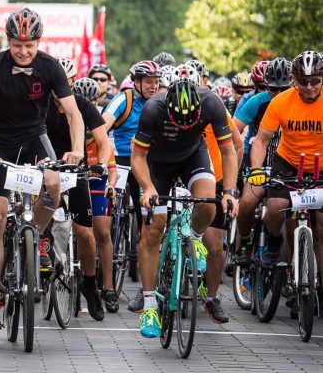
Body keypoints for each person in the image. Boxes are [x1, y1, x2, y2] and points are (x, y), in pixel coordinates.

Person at [0, 7, 85, 333]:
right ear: (8, 40)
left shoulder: (49, 66)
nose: (23, 51)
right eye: (17, 44)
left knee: (54, 184)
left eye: (30, 44)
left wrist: (77, 149)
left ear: (39, 41)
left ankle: (40, 237)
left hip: (34, 139)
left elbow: (73, 114)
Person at [131, 76, 239, 338]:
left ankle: (195, 238)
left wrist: (229, 193)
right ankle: (150, 305)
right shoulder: (153, 109)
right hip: (157, 163)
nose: (185, 125)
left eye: (191, 120)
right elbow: (138, 156)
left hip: (193, 155)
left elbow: (228, 151)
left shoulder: (212, 103)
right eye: (179, 121)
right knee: (153, 230)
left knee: (208, 205)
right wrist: (148, 188)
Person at [247, 51, 323, 290]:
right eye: (303, 81)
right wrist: (257, 170)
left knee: (321, 225)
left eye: (315, 80)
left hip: (321, 166)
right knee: (274, 209)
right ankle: (274, 238)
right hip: (288, 162)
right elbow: (261, 140)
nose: (309, 87)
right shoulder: (281, 102)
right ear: (294, 81)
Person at [45, 63, 112, 321]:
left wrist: (102, 165)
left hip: (77, 172)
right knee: (40, 220)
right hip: (47, 171)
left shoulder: (83, 104)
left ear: (72, 81)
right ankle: (38, 261)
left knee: (85, 232)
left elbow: (103, 142)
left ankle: (91, 285)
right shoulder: (41, 104)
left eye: (67, 80)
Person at [101, 60, 160, 312]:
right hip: (121, 159)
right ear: (136, 82)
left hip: (145, 162)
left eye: (156, 82)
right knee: (111, 208)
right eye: (148, 82)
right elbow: (102, 126)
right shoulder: (123, 100)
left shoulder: (159, 102)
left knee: (146, 213)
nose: (153, 86)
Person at [232, 57, 292, 266]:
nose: (278, 94)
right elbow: (233, 129)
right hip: (261, 159)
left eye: (284, 88)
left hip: (289, 164)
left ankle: (292, 275)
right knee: (247, 203)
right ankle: (245, 243)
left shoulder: (298, 101)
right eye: (273, 89)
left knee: (292, 221)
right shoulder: (257, 102)